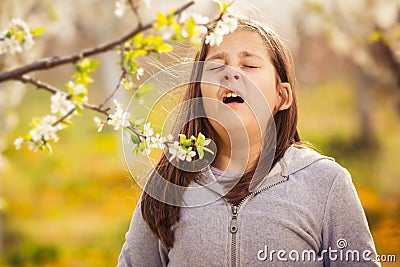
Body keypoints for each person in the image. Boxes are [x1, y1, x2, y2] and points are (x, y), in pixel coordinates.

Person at [117, 15, 380, 266]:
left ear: (282, 96)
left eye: (250, 65)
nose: (231, 74)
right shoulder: (167, 186)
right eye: (217, 66)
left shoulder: (326, 184)